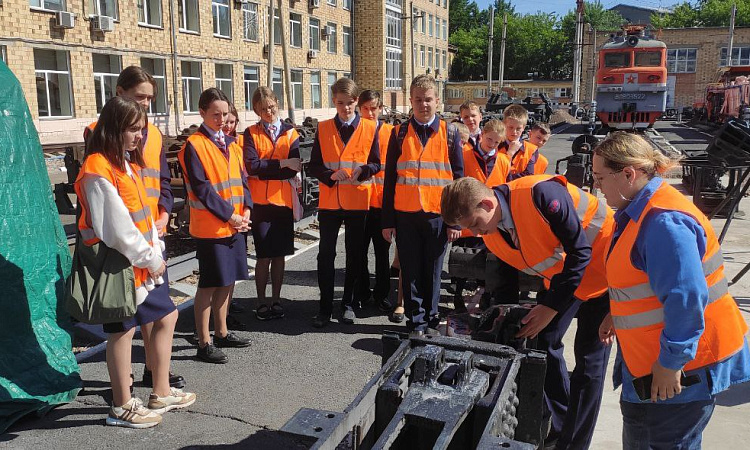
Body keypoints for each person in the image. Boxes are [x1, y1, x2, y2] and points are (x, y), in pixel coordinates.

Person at [593, 132, 750, 450]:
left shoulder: (664, 223)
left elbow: (686, 300)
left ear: (628, 174)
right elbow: (645, 281)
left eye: (600, 178)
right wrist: (617, 313)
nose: (597, 186)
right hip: (653, 364)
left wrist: (670, 364)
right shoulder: (641, 210)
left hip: (679, 372)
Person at [441, 175, 614, 449]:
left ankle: (574, 444)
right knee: (540, 341)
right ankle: (560, 423)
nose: (474, 232)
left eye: (474, 223)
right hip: (565, 280)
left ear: (487, 203)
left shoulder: (541, 195)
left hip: (606, 273)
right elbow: (506, 275)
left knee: (589, 362)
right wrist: (504, 317)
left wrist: (551, 308)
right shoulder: (492, 228)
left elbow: (580, 252)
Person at [76, 97, 196, 428]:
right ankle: (121, 405)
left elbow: (139, 214)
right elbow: (116, 230)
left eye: (141, 129)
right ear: (114, 129)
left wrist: (154, 251)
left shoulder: (122, 162)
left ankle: (160, 392)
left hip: (138, 264)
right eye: (133, 129)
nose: (139, 136)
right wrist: (150, 257)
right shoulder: (98, 168)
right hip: (117, 266)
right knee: (122, 331)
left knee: (166, 315)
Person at [382, 74, 464, 335]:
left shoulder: (450, 133)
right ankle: (415, 321)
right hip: (406, 215)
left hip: (438, 216)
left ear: (437, 101)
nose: (423, 104)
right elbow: (390, 179)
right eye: (418, 100)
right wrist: (388, 221)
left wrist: (455, 221)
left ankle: (431, 319)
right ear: (410, 101)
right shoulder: (399, 133)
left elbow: (458, 181)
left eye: (428, 99)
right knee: (411, 270)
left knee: (433, 271)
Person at [178, 88, 253, 364]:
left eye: (225, 114)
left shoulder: (232, 144)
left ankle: (221, 332)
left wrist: (246, 210)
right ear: (202, 113)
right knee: (209, 284)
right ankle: (204, 342)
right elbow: (202, 189)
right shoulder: (194, 146)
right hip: (212, 227)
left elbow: (242, 181)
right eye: (215, 115)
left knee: (227, 280)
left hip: (235, 224)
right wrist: (232, 216)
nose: (221, 120)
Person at [308, 77, 380, 327]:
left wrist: (364, 170)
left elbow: (376, 163)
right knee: (325, 255)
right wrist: (329, 175)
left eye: (349, 103)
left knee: (355, 254)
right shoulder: (323, 128)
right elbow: (314, 165)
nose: (345, 108)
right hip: (330, 201)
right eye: (340, 103)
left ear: (356, 101)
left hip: (357, 200)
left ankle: (348, 304)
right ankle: (324, 307)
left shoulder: (370, 128)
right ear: (333, 101)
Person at [243, 87, 301, 320]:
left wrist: (266, 169)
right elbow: (251, 166)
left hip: (283, 202)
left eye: (271, 107)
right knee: (263, 255)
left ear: (278, 103)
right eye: (263, 109)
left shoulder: (291, 133)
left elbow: (294, 167)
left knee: (279, 255)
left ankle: (276, 299)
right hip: (260, 204)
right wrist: (282, 164)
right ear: (256, 110)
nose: (268, 112)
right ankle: (261, 301)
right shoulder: (250, 133)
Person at [452, 119, 511, 312]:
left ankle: (485, 297)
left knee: (489, 264)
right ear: (482, 135)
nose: (492, 144)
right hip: (468, 219)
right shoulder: (465, 155)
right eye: (489, 139)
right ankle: (458, 296)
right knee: (461, 262)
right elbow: (456, 188)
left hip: (491, 222)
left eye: (497, 142)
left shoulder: (504, 161)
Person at [354, 90, 396, 316]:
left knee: (382, 253)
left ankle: (382, 295)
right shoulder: (355, 132)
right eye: (366, 108)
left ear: (380, 109)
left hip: (382, 204)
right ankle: (361, 294)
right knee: (359, 252)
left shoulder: (391, 132)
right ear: (359, 109)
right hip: (360, 203)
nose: (370, 113)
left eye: (374, 108)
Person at [500, 104, 538, 180]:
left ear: (523, 128)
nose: (514, 132)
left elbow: (528, 175)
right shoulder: (495, 145)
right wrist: (509, 154)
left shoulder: (531, 150)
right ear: (504, 125)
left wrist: (507, 178)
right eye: (510, 127)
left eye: (518, 128)